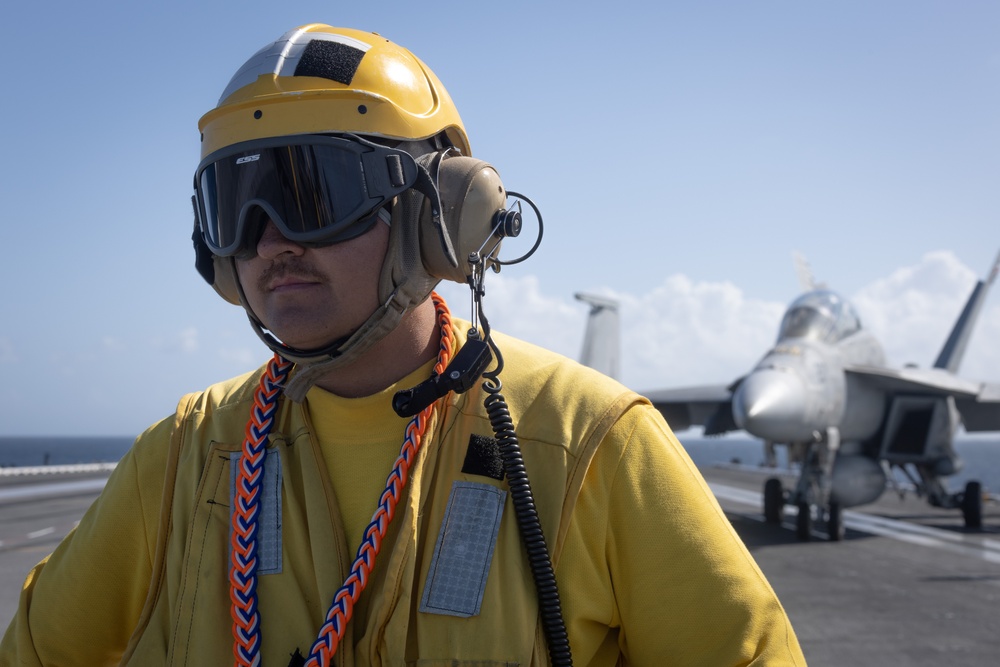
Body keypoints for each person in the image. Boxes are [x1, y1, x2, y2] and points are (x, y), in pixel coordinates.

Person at [0, 24, 806, 666]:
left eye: (312, 192)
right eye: (236, 203)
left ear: (441, 216)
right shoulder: (182, 456)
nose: (271, 239)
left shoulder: (589, 445)